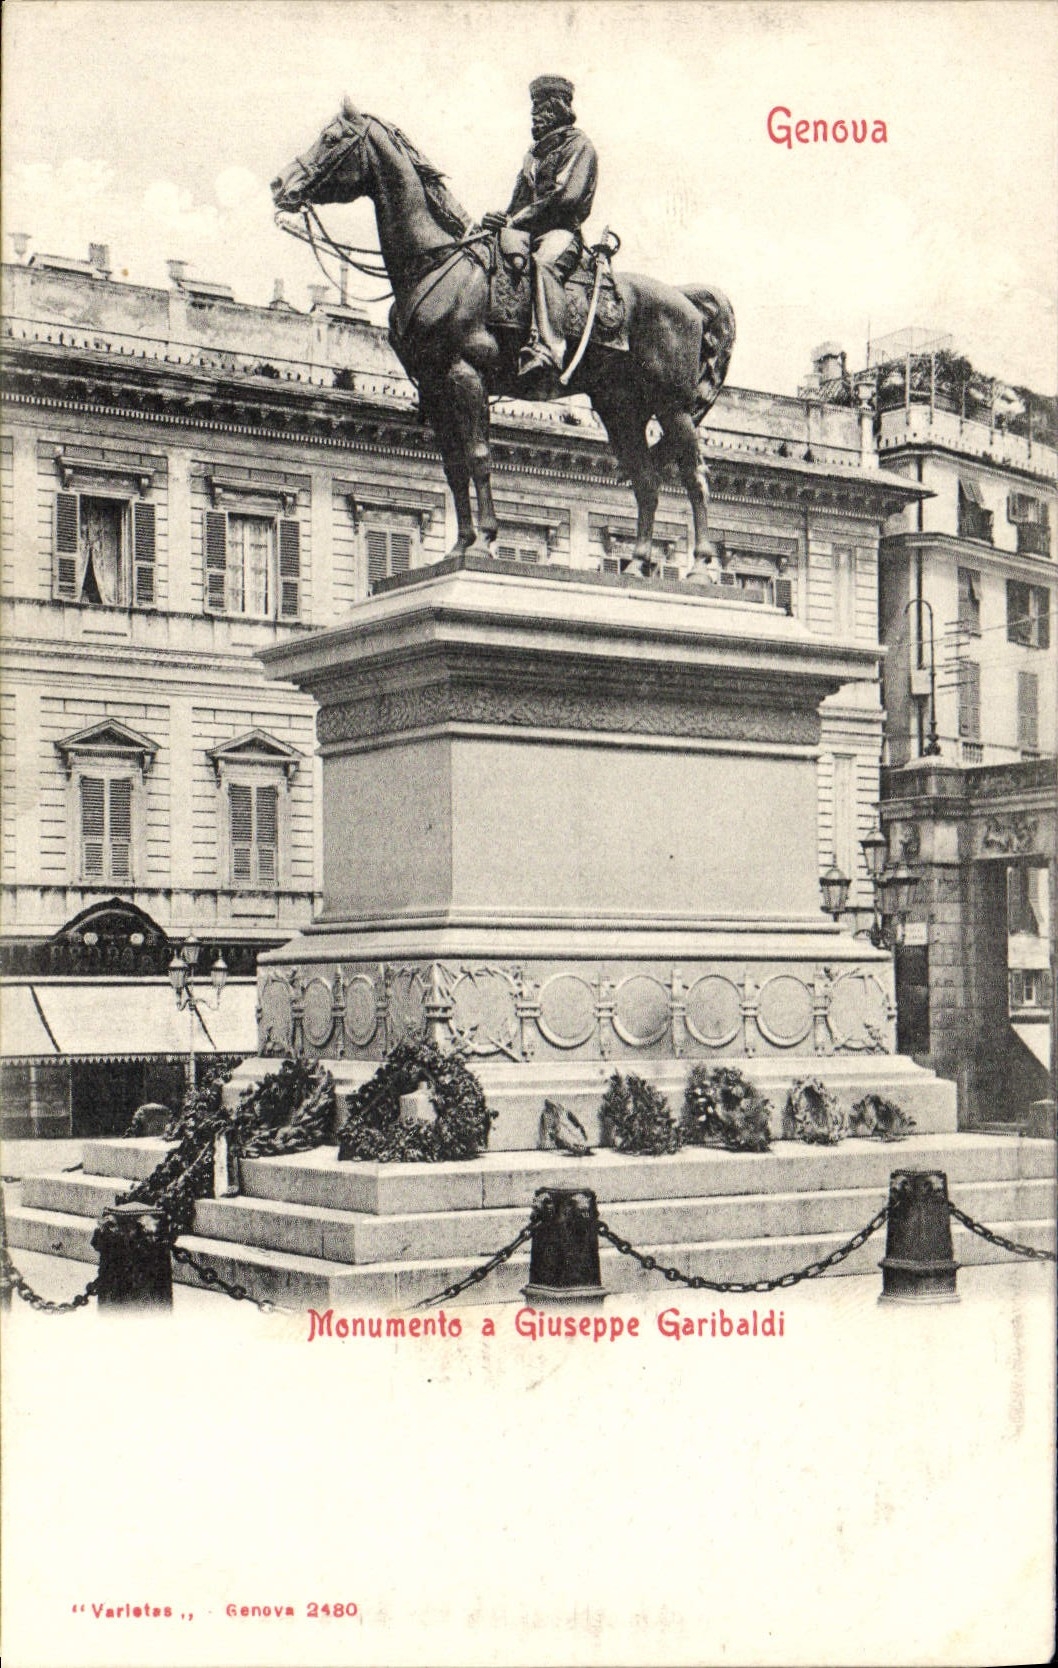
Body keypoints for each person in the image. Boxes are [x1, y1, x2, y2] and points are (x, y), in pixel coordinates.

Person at [482, 75, 598, 396]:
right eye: (534, 107)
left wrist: (517, 219)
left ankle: (548, 349)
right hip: (526, 231)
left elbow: (565, 198)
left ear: (560, 108)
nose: (536, 114)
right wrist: (499, 220)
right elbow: (517, 203)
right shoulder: (532, 156)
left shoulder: (579, 146)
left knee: (545, 263)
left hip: (561, 231)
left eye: (543, 107)